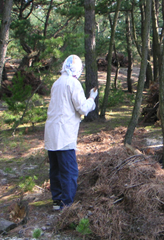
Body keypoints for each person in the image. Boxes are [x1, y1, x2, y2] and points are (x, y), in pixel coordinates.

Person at [44, 55, 98, 210]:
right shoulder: (73, 83)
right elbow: (82, 108)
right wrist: (92, 99)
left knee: (55, 170)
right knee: (69, 171)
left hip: (52, 133)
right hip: (64, 133)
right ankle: (67, 205)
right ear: (77, 69)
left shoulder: (57, 82)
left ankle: (57, 202)